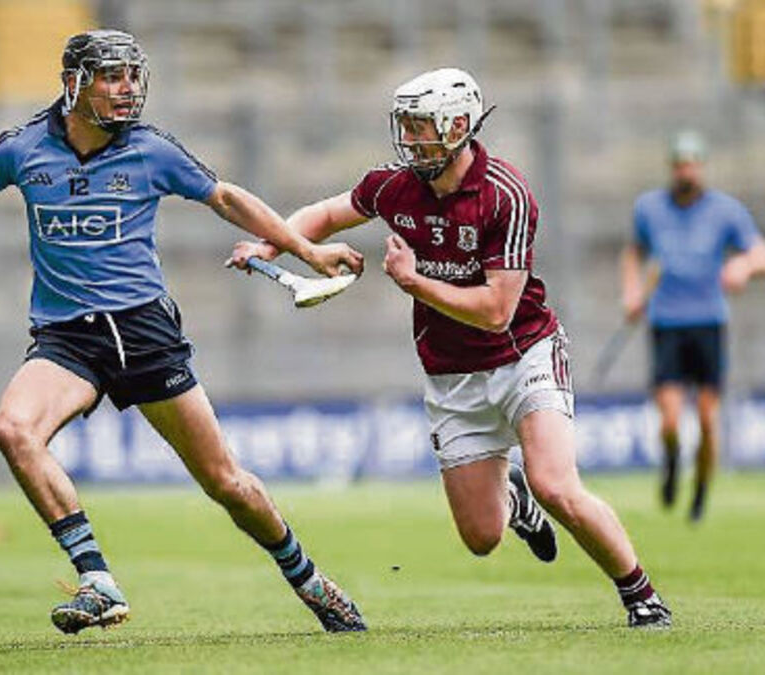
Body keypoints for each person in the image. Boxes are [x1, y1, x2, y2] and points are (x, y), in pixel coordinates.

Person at [0, 30, 367, 634]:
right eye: (111, 76)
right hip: (66, 338)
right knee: (14, 430)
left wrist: (307, 252)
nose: (127, 88)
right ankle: (97, 581)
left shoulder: (152, 150)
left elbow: (226, 199)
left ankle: (312, 583)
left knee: (227, 483)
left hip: (143, 331)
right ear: (73, 83)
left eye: (132, 76)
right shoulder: (23, 148)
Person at [231, 68, 672, 628]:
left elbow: (496, 311)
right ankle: (513, 500)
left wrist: (414, 282)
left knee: (556, 485)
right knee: (481, 537)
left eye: (420, 126)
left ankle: (641, 595)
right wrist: (271, 246)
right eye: (405, 125)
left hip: (524, 355)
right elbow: (325, 214)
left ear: (458, 126)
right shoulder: (394, 185)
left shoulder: (505, 195)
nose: (408, 138)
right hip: (451, 375)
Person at [621, 130, 765, 521]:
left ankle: (700, 490)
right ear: (672, 167)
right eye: (681, 164)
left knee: (706, 419)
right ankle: (671, 462)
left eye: (693, 164)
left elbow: (758, 253)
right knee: (670, 421)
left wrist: (743, 265)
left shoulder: (726, 211)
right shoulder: (649, 208)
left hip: (708, 322)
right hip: (667, 321)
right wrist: (632, 292)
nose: (687, 171)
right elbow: (634, 252)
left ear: (701, 167)